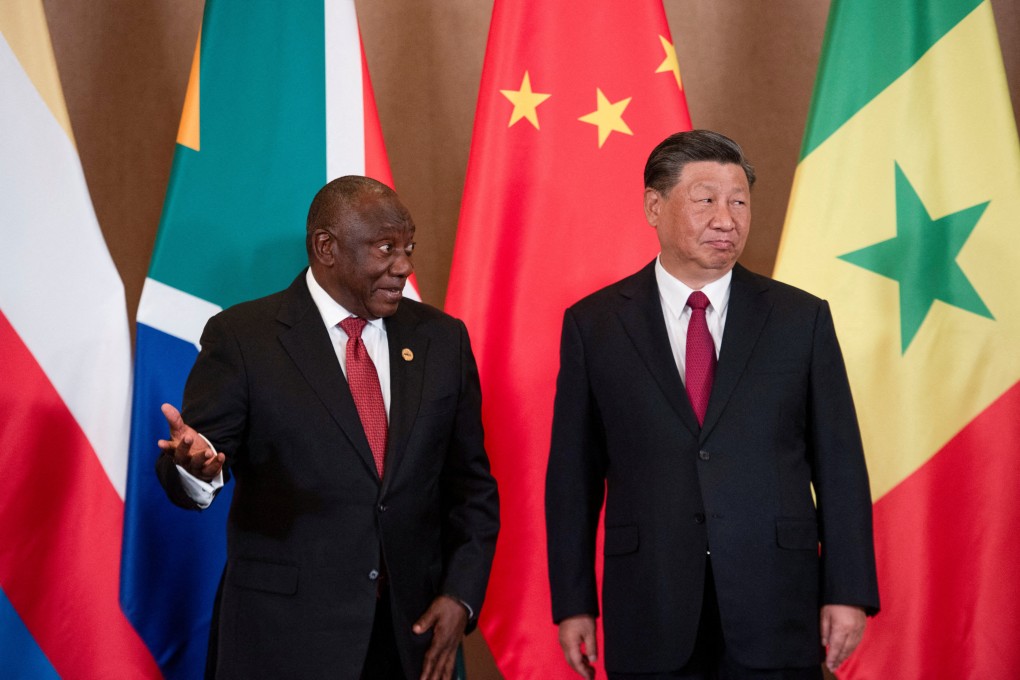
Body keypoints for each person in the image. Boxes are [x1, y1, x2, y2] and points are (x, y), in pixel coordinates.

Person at [545, 130, 879, 680]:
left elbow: (840, 465)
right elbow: (572, 478)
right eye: (706, 199)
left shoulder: (801, 320)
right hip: (648, 601)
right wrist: (574, 601)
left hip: (776, 601)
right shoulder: (595, 325)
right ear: (655, 205)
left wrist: (848, 591)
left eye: (739, 201)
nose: (726, 219)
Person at [156, 175, 499, 680]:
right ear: (326, 247)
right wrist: (194, 467)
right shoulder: (245, 338)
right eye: (386, 248)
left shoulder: (441, 339)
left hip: (409, 639)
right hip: (284, 640)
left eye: (408, 248)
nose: (404, 266)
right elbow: (197, 455)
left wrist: (461, 596)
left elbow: (471, 487)